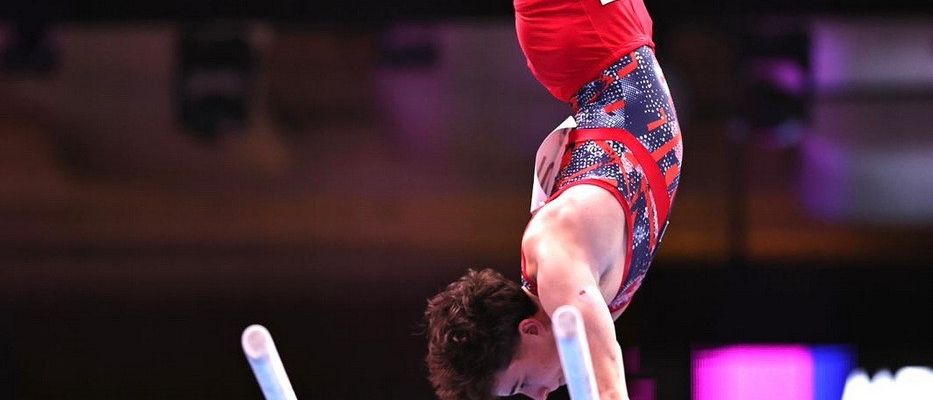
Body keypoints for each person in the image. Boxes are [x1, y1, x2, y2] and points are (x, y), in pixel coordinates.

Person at [423, 0, 683, 398]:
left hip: (586, 34)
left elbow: (610, 384)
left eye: (523, 383)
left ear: (529, 330)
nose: (541, 395)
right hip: (612, 39)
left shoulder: (556, 259)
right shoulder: (569, 276)